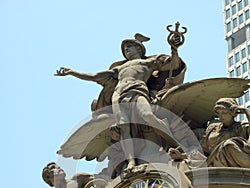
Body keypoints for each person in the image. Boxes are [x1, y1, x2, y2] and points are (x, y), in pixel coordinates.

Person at [55, 34, 186, 171]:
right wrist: (72, 72)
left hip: (138, 91)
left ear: (139, 49)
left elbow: (174, 65)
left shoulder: (149, 62)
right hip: (118, 96)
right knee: (123, 127)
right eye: (124, 48)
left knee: (148, 116)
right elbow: (94, 76)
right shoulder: (119, 69)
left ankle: (176, 144)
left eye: (129, 46)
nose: (126, 49)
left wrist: (174, 49)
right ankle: (131, 162)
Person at [201, 97, 250, 169]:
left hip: (237, 156)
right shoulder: (212, 127)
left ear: (233, 114)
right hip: (216, 159)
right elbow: (203, 147)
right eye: (218, 113)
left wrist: (246, 111)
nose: (220, 116)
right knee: (228, 145)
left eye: (224, 112)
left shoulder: (240, 127)